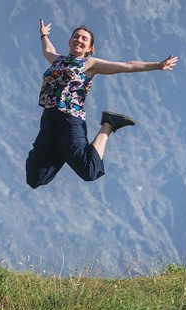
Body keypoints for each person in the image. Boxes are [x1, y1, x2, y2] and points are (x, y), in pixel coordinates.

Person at [25, 19, 178, 189]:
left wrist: (157, 65)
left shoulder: (90, 65)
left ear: (90, 48)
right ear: (69, 41)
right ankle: (61, 151)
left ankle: (109, 124)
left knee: (89, 171)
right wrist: (44, 35)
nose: (79, 40)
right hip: (47, 121)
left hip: (69, 122)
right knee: (34, 177)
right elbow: (48, 50)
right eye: (76, 37)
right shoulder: (58, 61)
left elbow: (126, 65)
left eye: (84, 39)